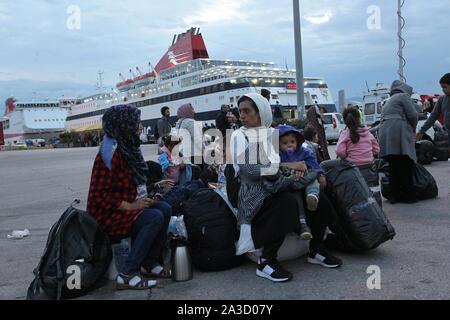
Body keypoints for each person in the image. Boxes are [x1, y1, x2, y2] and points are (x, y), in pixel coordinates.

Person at [231, 93, 342, 283]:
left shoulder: (271, 134)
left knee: (319, 197)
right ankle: (266, 260)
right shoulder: (239, 136)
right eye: (240, 111)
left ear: (261, 113)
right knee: (287, 203)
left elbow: (291, 155)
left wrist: (299, 171)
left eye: (247, 111)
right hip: (255, 192)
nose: (242, 115)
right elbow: (250, 171)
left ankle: (316, 249)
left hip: (278, 183)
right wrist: (288, 167)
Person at [87, 105, 172, 291]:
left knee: (164, 209)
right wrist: (131, 206)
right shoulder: (108, 155)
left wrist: (147, 196)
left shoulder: (128, 148)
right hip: (107, 215)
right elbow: (97, 196)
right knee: (154, 218)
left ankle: (149, 262)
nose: (140, 127)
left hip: (126, 206)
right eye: (136, 123)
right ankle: (127, 274)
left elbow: (131, 185)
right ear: (123, 125)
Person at [278, 124, 328, 240]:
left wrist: (320, 174)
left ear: (298, 142)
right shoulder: (279, 156)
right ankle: (303, 225)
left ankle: (312, 196)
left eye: (292, 141)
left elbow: (314, 164)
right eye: (285, 143)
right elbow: (272, 167)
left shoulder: (303, 152)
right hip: (292, 182)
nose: (289, 145)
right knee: (296, 199)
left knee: (313, 182)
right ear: (279, 145)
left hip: (306, 178)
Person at [378, 80, 418, 204]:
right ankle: (409, 195)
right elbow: (413, 115)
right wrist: (413, 130)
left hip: (386, 134)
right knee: (405, 164)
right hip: (398, 133)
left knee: (393, 166)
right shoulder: (404, 96)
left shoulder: (389, 101)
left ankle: (395, 195)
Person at [417, 73, 450, 149]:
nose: (443, 90)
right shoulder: (442, 99)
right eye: (442, 88)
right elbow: (433, 116)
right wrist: (422, 131)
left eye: (445, 87)